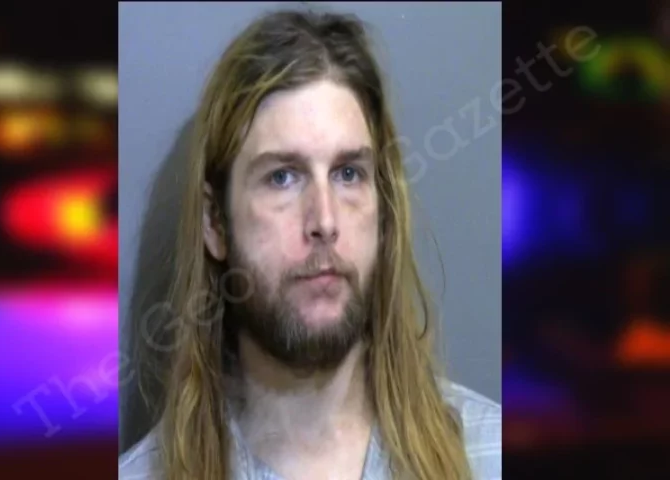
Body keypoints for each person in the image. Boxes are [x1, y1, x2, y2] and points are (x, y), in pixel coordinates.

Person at [119, 7, 501, 480]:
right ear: (215, 222)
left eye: (348, 174)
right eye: (282, 177)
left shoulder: (490, 457)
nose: (324, 220)